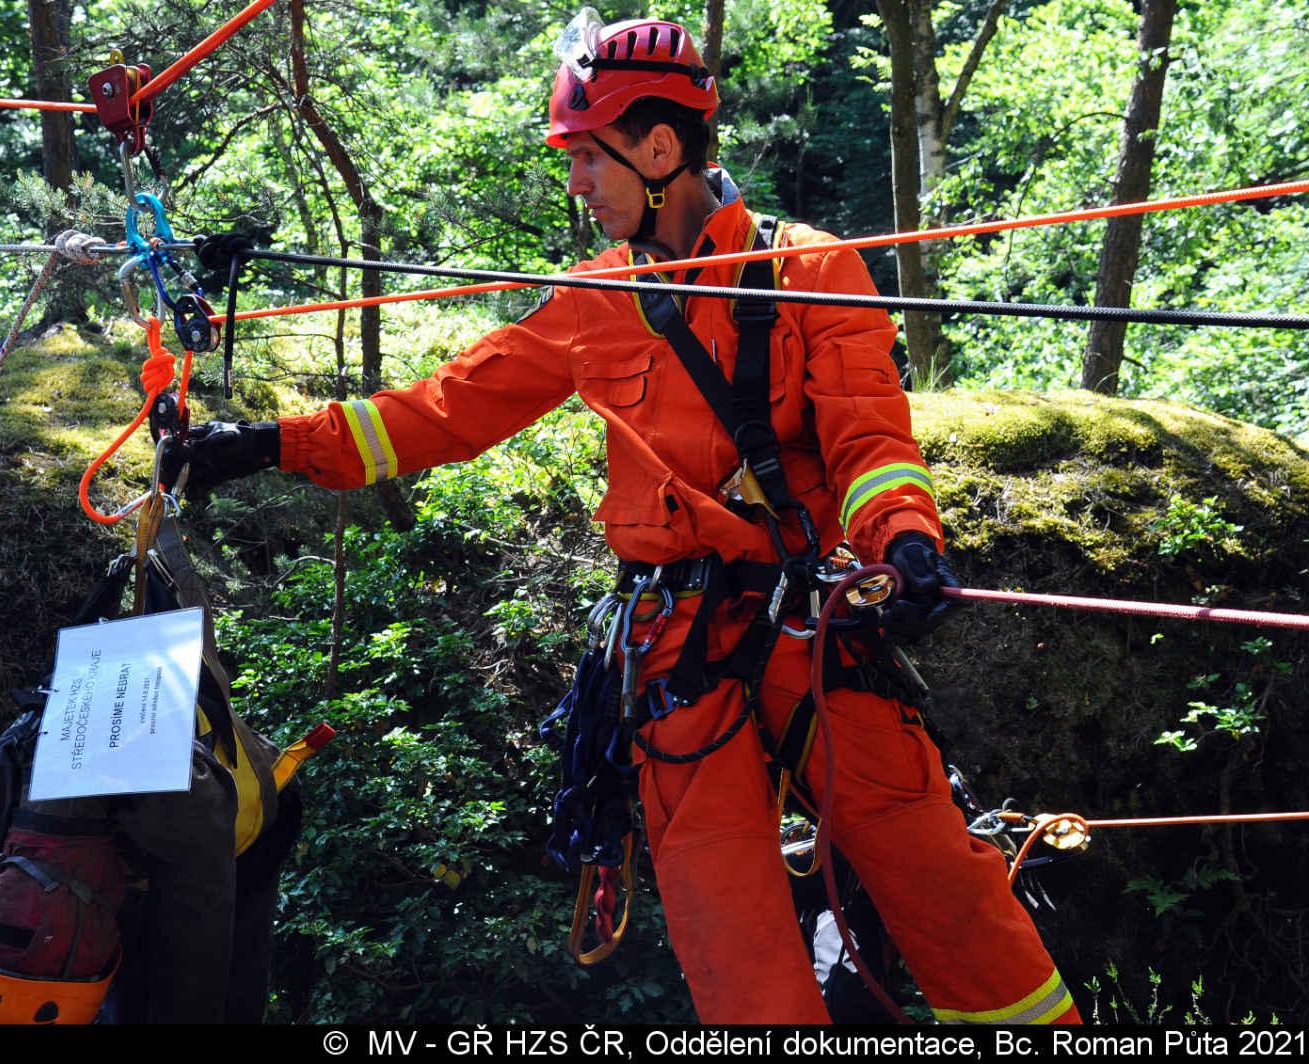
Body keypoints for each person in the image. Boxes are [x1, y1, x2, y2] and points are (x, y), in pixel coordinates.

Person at [180, 11, 1078, 1025]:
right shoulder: (587, 299)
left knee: (943, 882)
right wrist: (265, 442)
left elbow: (872, 439)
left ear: (659, 150)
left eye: (585, 157)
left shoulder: (812, 269)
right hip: (673, 658)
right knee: (729, 936)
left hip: (810, 631)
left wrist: (904, 541)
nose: (574, 184)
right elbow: (441, 411)